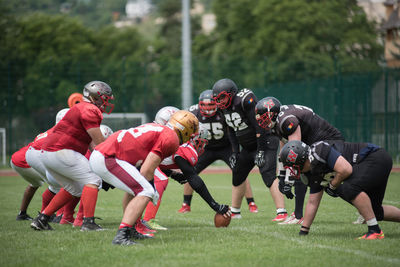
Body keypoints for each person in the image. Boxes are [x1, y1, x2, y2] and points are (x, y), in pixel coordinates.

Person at [89, 110, 200, 245]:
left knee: (136, 190)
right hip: (108, 156)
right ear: (185, 129)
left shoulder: (161, 129)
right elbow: (147, 169)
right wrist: (152, 190)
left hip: (106, 153)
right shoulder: (171, 138)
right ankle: (121, 236)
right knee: (145, 191)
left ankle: (130, 229)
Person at [30, 80, 114, 231]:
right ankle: (88, 223)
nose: (106, 102)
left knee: (74, 188)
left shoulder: (81, 108)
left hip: (48, 152)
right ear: (95, 97)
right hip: (61, 151)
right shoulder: (90, 109)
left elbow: (92, 145)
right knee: (93, 179)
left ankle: (42, 219)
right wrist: (113, 164)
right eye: (104, 98)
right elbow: (101, 143)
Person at [280, 140, 400, 239]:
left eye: (291, 165)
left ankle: (375, 231)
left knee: (348, 188)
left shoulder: (318, 152)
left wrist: (333, 185)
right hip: (372, 163)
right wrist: (304, 231)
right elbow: (313, 202)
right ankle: (375, 228)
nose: (292, 170)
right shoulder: (311, 173)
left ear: (300, 159)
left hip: (375, 157)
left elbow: (346, 169)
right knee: (374, 211)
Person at [255, 97, 345, 224]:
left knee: (303, 170)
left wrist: (289, 180)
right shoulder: (277, 122)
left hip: (330, 141)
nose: (261, 120)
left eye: (263, 116)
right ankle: (298, 214)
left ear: (272, 113)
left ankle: (298, 216)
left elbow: (294, 153)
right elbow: (283, 150)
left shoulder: (286, 120)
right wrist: (281, 176)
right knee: (320, 180)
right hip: (317, 142)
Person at [212, 78, 285, 220]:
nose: (220, 101)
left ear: (232, 94)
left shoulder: (245, 100)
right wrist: (235, 152)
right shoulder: (222, 108)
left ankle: (281, 212)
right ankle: (235, 212)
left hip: (266, 141)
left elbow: (260, 126)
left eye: (222, 97)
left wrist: (261, 150)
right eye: (217, 98)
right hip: (248, 146)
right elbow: (231, 130)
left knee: (268, 175)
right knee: (238, 174)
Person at [178, 89, 259, 214]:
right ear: (199, 105)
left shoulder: (223, 111)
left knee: (240, 171)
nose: (208, 108)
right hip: (205, 149)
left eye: (211, 105)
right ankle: (186, 204)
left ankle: (251, 202)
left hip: (226, 147)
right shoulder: (194, 113)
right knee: (190, 172)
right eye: (204, 105)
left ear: (216, 103)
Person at [11, 108, 70, 221]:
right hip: (27, 160)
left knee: (36, 183)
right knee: (62, 183)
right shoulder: (61, 133)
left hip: (19, 158)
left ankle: (22, 213)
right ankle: (56, 215)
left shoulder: (52, 130)